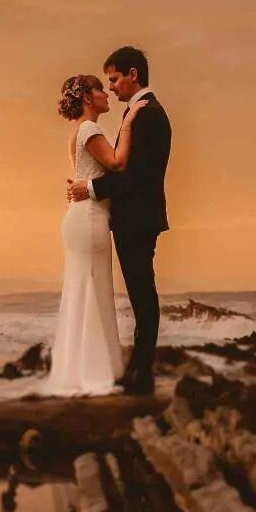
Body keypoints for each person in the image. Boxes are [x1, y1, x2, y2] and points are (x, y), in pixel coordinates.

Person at [67, 46, 171, 395]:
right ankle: (138, 370)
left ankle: (141, 373)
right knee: (141, 294)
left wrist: (91, 188)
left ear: (132, 75)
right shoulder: (139, 114)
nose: (111, 87)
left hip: (138, 218)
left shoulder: (149, 115)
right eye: (106, 82)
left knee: (142, 294)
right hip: (132, 218)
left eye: (113, 79)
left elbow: (135, 174)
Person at [44, 73, 145, 394]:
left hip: (80, 217)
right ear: (88, 98)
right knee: (92, 287)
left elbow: (84, 177)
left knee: (84, 289)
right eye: (100, 89)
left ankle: (79, 368)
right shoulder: (89, 128)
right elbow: (116, 163)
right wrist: (128, 124)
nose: (106, 93)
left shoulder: (77, 133)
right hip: (89, 219)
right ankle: (93, 372)